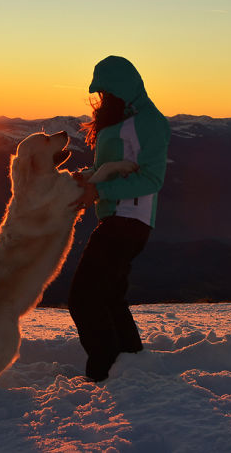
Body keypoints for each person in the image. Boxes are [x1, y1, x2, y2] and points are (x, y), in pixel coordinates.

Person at [69, 55, 171, 382]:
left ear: (122, 89)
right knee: (109, 298)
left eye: (106, 92)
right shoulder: (125, 119)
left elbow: (152, 179)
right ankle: (132, 368)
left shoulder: (149, 122)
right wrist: (87, 178)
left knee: (83, 298)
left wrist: (100, 192)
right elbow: (113, 167)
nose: (101, 100)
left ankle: (103, 373)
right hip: (118, 220)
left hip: (128, 221)